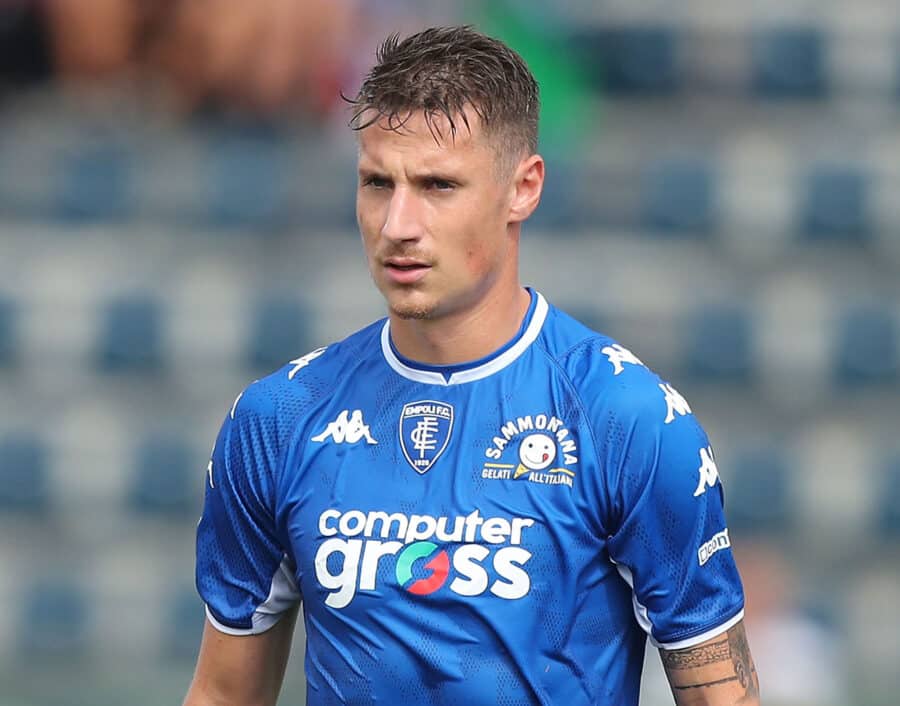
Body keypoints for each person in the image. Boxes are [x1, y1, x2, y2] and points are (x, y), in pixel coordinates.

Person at [183, 26, 760, 706]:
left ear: (524, 188)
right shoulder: (277, 420)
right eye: (377, 183)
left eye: (438, 185)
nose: (398, 224)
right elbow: (222, 695)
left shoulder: (625, 421)